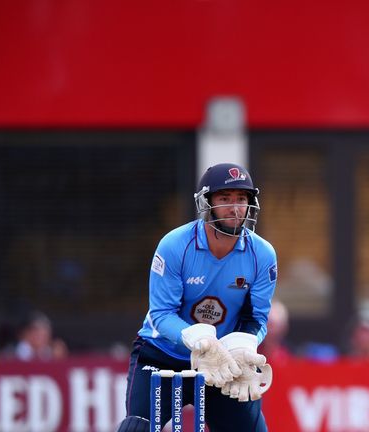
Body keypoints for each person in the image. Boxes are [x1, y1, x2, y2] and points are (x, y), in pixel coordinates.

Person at [116, 163, 278, 432]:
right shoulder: (175, 245)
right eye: (225, 199)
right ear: (207, 203)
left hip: (222, 363)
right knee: (136, 428)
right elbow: (161, 314)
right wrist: (197, 339)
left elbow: (257, 318)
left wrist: (243, 346)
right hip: (163, 357)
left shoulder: (262, 254)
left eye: (241, 199)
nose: (235, 207)